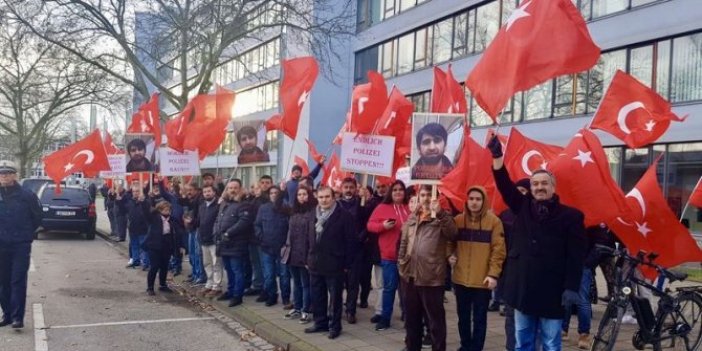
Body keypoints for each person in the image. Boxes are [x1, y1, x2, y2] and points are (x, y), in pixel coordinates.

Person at [488, 135, 587, 351]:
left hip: (553, 292)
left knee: (551, 342)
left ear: (553, 187)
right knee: (523, 341)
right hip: (524, 287)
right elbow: (504, 185)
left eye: (544, 183)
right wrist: (497, 156)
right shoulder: (522, 207)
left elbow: (575, 256)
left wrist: (571, 287)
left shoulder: (572, 216)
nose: (539, 187)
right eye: (535, 184)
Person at [399, 185, 457, 351]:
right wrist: (401, 265)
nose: (425, 198)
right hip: (410, 277)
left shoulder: (441, 217)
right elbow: (404, 242)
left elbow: (453, 234)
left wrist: (440, 213)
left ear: (436, 198)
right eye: (422, 195)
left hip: (431, 278)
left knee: (435, 322)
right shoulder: (413, 217)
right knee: (411, 321)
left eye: (429, 195)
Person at [447, 186, 506, 351]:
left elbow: (498, 251)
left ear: (484, 201)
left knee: (480, 318)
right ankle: (465, 345)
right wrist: (449, 254)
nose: (474, 202)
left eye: (478, 199)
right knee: (463, 317)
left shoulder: (494, 222)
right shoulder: (458, 220)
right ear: (467, 200)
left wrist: (493, 274)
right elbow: (449, 241)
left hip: (482, 281)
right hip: (460, 279)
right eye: (471, 198)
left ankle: (476, 348)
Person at [304, 186, 356, 339]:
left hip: (335, 264)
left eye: (327, 197)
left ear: (333, 197)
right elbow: (308, 238)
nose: (324, 200)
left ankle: (335, 326)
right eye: (321, 197)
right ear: (317, 198)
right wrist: (307, 258)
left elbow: (351, 242)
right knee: (317, 296)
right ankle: (320, 323)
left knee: (335, 299)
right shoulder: (312, 214)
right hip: (315, 263)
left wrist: (347, 264)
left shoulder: (344, 216)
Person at [0, 160, 42, 329]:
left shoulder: (26, 195)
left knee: (17, 280)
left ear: (15, 176)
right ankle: (7, 314)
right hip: (1, 245)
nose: (4, 176)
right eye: (1, 174)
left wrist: (25, 234)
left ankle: (18, 317)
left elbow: (37, 218)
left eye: (8, 173)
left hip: (20, 245)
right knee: (3, 281)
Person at [366, 180, 410, 331]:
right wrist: (383, 226)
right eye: (395, 189)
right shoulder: (382, 207)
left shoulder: (409, 208)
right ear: (391, 192)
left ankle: (408, 315)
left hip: (407, 258)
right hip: (389, 256)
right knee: (389, 288)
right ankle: (385, 318)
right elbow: (370, 226)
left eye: (401, 190)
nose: (398, 192)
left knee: (407, 290)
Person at [497, 178, 531, 351]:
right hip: (509, 274)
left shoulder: (536, 215)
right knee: (510, 317)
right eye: (518, 191)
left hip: (530, 276)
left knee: (528, 319)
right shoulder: (504, 215)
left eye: (524, 191)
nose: (521, 195)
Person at [336, 177, 375, 324]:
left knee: (353, 283)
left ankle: (351, 311)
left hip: (356, 249)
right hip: (339, 249)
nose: (348, 190)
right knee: (338, 282)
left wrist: (360, 238)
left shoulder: (362, 204)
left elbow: (369, 223)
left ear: (355, 188)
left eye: (351, 187)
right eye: (345, 187)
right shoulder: (336, 205)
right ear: (341, 188)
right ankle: (336, 308)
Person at [213, 179, 253, 307]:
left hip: (236, 243)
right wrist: (216, 232)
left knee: (237, 270)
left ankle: (237, 295)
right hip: (223, 244)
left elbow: (244, 221)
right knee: (228, 270)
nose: (232, 190)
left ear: (240, 189)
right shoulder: (224, 204)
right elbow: (218, 220)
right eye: (230, 188)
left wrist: (228, 233)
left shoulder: (244, 204)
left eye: (235, 187)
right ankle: (230, 291)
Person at [284, 186, 317, 323]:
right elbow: (289, 233)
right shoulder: (294, 212)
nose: (302, 197)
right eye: (299, 194)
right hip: (292, 253)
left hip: (304, 254)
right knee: (296, 283)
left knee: (305, 284)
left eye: (304, 194)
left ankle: (306, 310)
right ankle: (297, 308)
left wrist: (310, 256)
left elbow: (311, 237)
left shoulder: (312, 213)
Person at [254, 186, 291, 306]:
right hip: (267, 247)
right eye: (271, 193)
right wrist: (261, 237)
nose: (274, 195)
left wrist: (287, 242)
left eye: (276, 193)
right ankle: (272, 296)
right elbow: (257, 225)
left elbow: (291, 227)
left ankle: (285, 298)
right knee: (269, 275)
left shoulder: (286, 208)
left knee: (284, 275)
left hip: (283, 248)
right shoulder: (263, 208)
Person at [142, 201, 186, 295]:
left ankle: (162, 285)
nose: (167, 211)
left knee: (164, 266)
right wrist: (144, 202)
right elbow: (146, 213)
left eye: (168, 209)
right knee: (154, 266)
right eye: (165, 209)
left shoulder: (172, 220)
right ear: (160, 210)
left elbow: (179, 233)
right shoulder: (154, 218)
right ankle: (150, 287)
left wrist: (181, 246)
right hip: (154, 244)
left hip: (167, 245)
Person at [187, 184, 223, 298]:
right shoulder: (202, 206)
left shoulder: (219, 205)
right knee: (207, 264)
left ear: (214, 192)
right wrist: (191, 222)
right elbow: (199, 220)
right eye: (205, 192)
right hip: (203, 238)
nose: (207, 193)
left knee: (216, 263)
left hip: (214, 239)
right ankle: (209, 283)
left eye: (209, 191)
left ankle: (217, 286)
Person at [125, 184, 151, 270]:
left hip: (143, 228)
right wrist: (117, 200)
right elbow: (122, 209)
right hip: (133, 228)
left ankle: (145, 263)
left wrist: (143, 201)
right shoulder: (130, 202)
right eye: (134, 191)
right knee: (134, 245)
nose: (135, 193)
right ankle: (136, 261)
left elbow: (148, 210)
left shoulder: (145, 201)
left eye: (137, 191)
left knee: (143, 246)